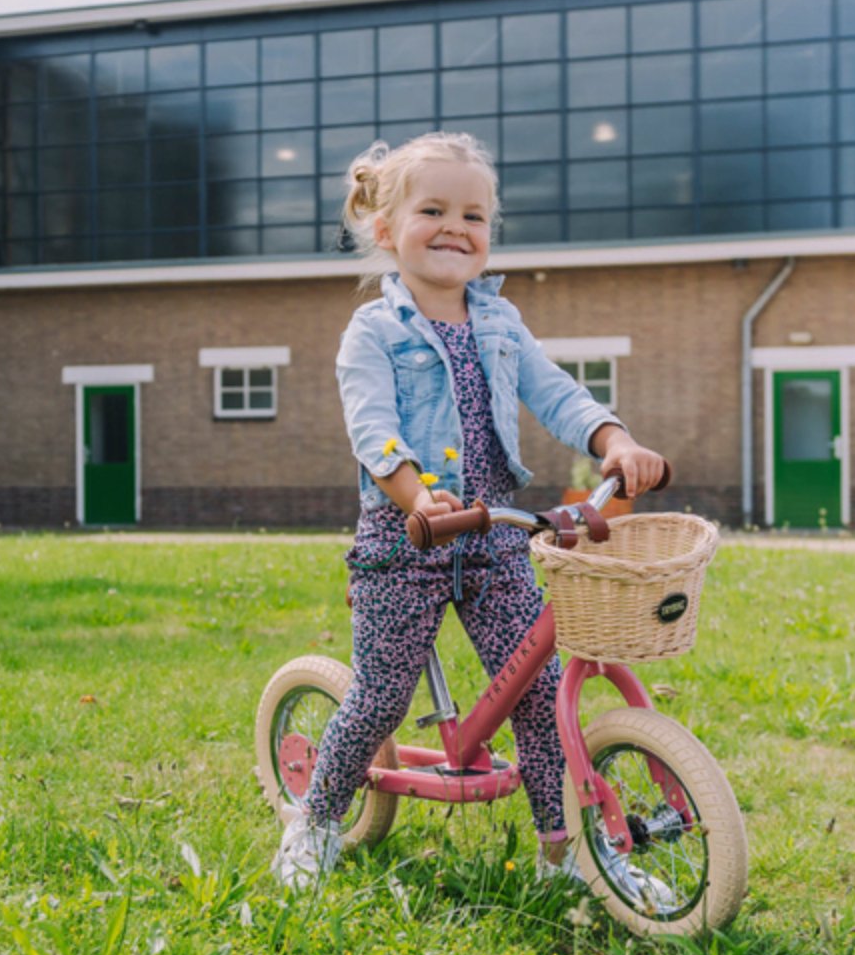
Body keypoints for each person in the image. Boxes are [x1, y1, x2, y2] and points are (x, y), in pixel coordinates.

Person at [272, 132, 668, 891]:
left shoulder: (499, 321)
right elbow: (372, 426)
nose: (457, 227)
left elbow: (556, 390)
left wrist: (614, 439)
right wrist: (417, 494)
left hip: (495, 537)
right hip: (406, 538)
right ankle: (316, 820)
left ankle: (566, 853)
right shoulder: (374, 332)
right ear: (386, 231)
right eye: (434, 210)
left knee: (542, 694)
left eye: (475, 216)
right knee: (382, 694)